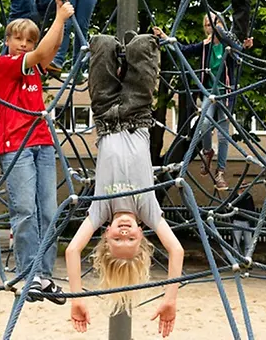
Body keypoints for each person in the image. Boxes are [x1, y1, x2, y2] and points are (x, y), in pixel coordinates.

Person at [66, 33, 184, 337]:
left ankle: (118, 57)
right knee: (143, 46)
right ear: (140, 235)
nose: (123, 235)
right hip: (138, 114)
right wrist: (170, 300)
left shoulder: (99, 211)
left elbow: (72, 251)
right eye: (129, 241)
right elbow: (176, 250)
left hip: (105, 116)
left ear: (105, 235)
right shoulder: (148, 211)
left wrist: (76, 299)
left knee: (102, 44)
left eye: (116, 241)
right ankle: (129, 54)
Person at [0, 0, 74, 304]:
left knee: (50, 212)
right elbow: (41, 53)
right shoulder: (4, 64)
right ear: (8, 41)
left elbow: (49, 51)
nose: (24, 44)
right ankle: (28, 275)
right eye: (19, 39)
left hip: (41, 142)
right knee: (25, 210)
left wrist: (60, 17)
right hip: (16, 143)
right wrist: (59, 15)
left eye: (28, 40)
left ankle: (44, 275)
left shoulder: (36, 66)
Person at [153, 12, 242, 191]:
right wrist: (164, 37)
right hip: (208, 93)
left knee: (224, 135)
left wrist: (243, 46)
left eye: (215, 24)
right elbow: (183, 50)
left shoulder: (228, 46)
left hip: (225, 95)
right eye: (208, 25)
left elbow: (240, 54)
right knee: (204, 125)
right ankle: (208, 151)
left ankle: (221, 172)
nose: (211, 28)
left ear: (222, 26)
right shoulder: (205, 46)